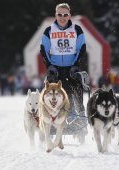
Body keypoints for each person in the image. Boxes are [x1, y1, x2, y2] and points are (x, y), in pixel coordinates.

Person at [40, 3, 88, 140]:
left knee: (76, 93)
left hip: (71, 68)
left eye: (65, 15)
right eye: (59, 14)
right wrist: (49, 65)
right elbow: (43, 49)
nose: (62, 17)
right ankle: (50, 122)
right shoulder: (48, 30)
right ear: (55, 15)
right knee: (52, 96)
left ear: (69, 16)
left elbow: (82, 48)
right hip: (55, 69)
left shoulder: (76, 29)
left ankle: (77, 121)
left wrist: (76, 65)